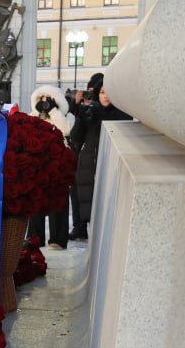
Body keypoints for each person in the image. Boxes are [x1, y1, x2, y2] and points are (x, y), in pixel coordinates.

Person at [69, 73, 132, 241]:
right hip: (89, 168)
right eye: (103, 92)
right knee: (90, 209)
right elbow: (75, 137)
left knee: (107, 211)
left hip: (110, 167)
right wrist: (81, 117)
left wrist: (100, 114)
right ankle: (82, 228)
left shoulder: (121, 113)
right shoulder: (90, 112)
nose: (106, 96)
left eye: (109, 92)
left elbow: (120, 130)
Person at [24, 85, 75, 249]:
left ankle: (58, 239)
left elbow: (65, 129)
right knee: (35, 202)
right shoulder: (32, 117)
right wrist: (39, 112)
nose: (45, 103)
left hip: (59, 164)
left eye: (49, 99)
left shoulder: (67, 117)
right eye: (41, 99)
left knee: (59, 202)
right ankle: (34, 237)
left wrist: (53, 111)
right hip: (38, 164)